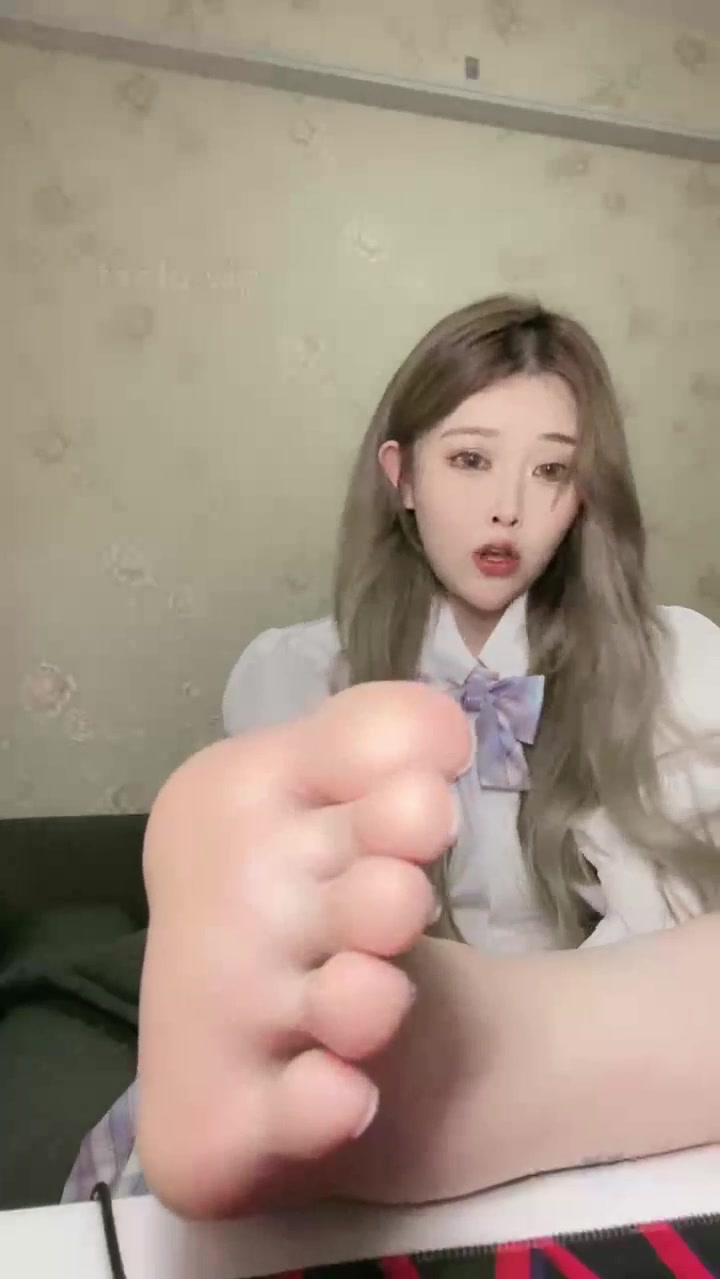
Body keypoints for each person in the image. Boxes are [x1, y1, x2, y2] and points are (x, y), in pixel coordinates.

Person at [63, 296, 720, 1217]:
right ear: (401, 475)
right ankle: (427, 1037)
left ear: (583, 498)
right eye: (470, 460)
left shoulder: (673, 660)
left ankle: (505, 1047)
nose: (508, 507)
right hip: (399, 1009)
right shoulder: (305, 676)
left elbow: (678, 889)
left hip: (610, 1010)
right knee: (333, 991)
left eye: (552, 470)